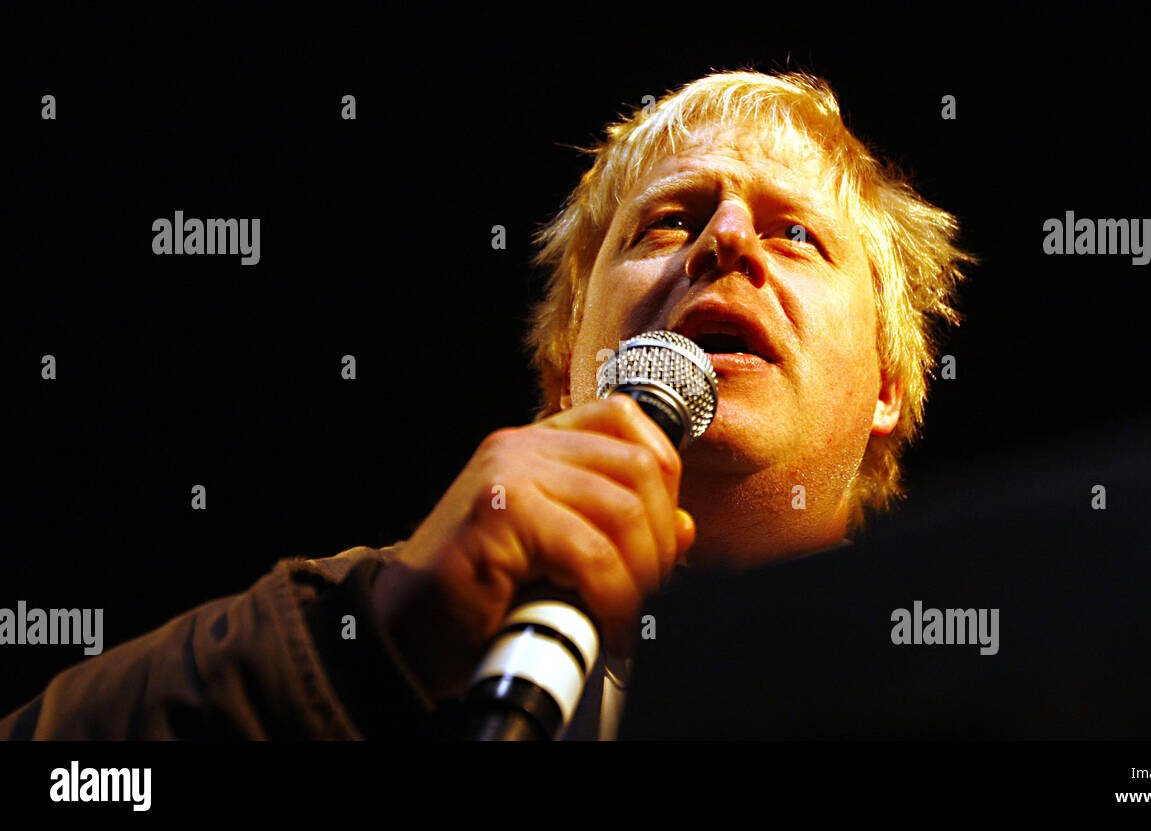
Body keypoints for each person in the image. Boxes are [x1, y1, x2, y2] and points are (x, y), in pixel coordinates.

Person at [0, 69, 971, 740]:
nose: (723, 241)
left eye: (795, 231)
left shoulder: (991, 679)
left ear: (889, 384)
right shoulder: (374, 630)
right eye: (667, 221)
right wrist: (367, 652)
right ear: (564, 371)